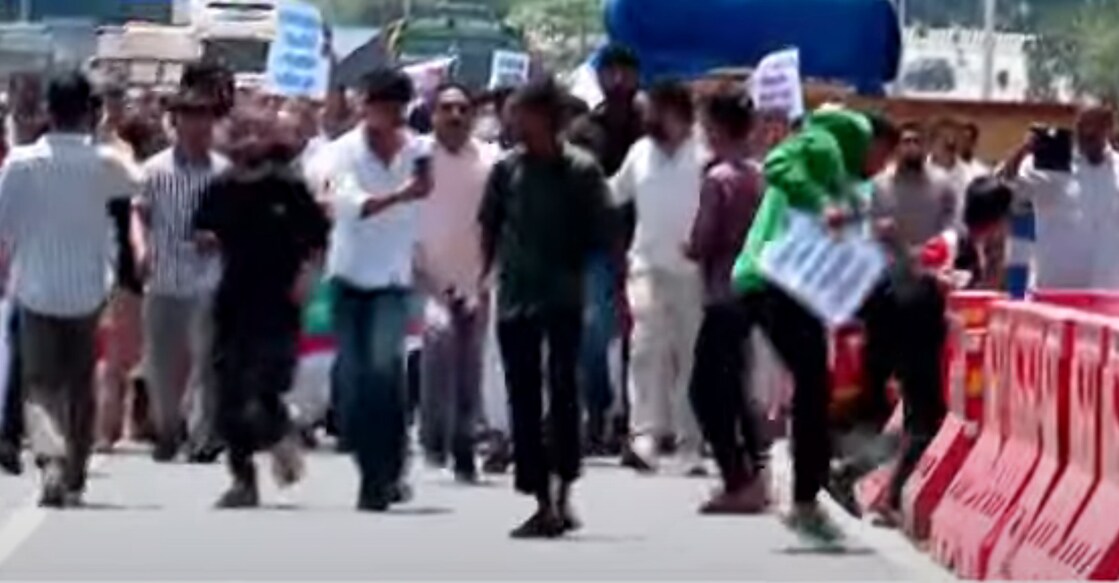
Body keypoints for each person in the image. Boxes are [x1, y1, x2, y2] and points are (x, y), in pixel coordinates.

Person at [730, 108, 902, 544]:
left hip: (797, 287)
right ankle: (807, 498)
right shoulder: (825, 145)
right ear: (865, 142)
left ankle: (828, 464)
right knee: (811, 381)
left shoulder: (853, 182)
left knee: (817, 381)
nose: (883, 166)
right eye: (881, 154)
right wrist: (826, 205)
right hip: (771, 278)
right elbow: (778, 164)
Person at [479, 78, 610, 538]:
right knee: (524, 396)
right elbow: (489, 227)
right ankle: (539, 495)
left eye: (520, 112)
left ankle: (561, 490)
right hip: (516, 296)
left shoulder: (582, 171)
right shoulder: (506, 171)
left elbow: (602, 236)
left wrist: (603, 292)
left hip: (564, 297)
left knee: (563, 393)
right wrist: (485, 276)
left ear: (543, 117)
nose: (512, 121)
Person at [0, 71, 135, 507]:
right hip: (87, 291)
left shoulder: (21, 163)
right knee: (80, 385)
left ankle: (51, 456)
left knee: (39, 385)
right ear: (88, 113)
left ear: (48, 112)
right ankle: (74, 470)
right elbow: (138, 182)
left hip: (36, 286)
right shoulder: (105, 163)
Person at [194, 113, 330, 508]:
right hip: (233, 300)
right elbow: (203, 230)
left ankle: (278, 433)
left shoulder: (287, 186)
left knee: (265, 386)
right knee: (229, 394)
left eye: (253, 134)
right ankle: (242, 479)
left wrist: (308, 276)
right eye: (238, 135)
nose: (246, 142)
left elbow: (318, 237)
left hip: (278, 302)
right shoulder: (221, 187)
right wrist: (205, 240)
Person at [319, 68, 431, 512]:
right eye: (378, 105)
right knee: (353, 380)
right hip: (348, 276)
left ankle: (381, 475)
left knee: (385, 375)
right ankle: (375, 464)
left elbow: (432, 194)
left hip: (392, 280)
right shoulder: (339, 153)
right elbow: (346, 203)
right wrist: (404, 195)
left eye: (394, 108)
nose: (386, 115)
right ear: (364, 106)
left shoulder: (418, 150)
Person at [610, 80, 706, 475]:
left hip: (694, 272)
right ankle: (645, 437)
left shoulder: (703, 152)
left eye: (655, 109)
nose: (648, 117)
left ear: (678, 112)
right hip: (646, 266)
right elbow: (614, 192)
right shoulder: (640, 153)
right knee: (646, 346)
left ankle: (690, 443)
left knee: (690, 356)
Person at [132, 79, 229, 464]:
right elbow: (138, 214)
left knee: (207, 361)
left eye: (205, 116)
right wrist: (141, 249)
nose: (200, 125)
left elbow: (239, 222)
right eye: (191, 116)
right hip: (164, 276)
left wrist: (221, 236)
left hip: (208, 281)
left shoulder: (224, 172)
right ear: (176, 121)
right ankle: (168, 428)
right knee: (161, 363)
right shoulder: (154, 170)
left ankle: (203, 435)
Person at [685, 89, 768, 513]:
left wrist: (689, 248)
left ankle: (737, 478)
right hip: (754, 291)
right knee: (736, 386)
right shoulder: (761, 176)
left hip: (721, 292)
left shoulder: (718, 179)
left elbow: (702, 240)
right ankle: (757, 473)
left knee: (705, 391)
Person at [416, 83, 500, 483]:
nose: (454, 116)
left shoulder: (489, 160)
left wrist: (489, 275)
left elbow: (500, 220)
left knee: (469, 363)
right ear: (432, 115)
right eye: (446, 108)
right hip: (427, 276)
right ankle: (433, 435)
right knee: (439, 341)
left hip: (477, 277)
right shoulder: (416, 158)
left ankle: (464, 441)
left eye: (462, 108)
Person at [567, 44, 645, 455]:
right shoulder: (582, 131)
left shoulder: (650, 128)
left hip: (643, 244)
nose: (618, 81)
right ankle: (595, 411)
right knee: (594, 330)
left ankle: (631, 419)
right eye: (610, 72)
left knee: (641, 338)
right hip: (596, 247)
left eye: (625, 72)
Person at [95, 114, 162, 452]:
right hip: (141, 267)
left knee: (118, 358)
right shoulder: (144, 176)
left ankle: (107, 429)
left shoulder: (115, 173)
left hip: (124, 268)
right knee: (134, 355)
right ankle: (125, 424)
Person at [999, 105, 1119, 289]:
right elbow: (1005, 185)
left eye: (1095, 128)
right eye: (1082, 127)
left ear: (1110, 128)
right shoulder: (1050, 164)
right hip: (1054, 293)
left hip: (1108, 295)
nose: (1088, 133)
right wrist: (1023, 150)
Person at [871, 121, 958, 249]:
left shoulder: (943, 182)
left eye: (917, 142)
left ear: (925, 147)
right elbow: (869, 223)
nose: (912, 147)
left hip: (932, 259)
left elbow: (952, 221)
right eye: (907, 141)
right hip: (891, 260)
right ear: (896, 148)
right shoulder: (880, 185)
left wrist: (945, 240)